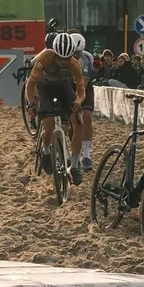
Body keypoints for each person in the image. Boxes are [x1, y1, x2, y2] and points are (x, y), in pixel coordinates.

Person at [24, 33, 87, 184]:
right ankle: (46, 150)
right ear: (54, 53)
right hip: (44, 87)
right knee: (49, 126)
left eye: (67, 59)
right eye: (60, 58)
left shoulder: (74, 65)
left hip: (63, 87)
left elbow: (81, 91)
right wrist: (32, 104)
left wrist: (79, 101)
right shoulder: (44, 57)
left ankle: (74, 165)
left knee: (79, 123)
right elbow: (31, 84)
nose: (63, 62)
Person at [70, 31, 96, 173]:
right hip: (68, 85)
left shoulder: (87, 58)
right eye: (73, 53)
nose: (76, 56)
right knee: (71, 121)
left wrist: (77, 100)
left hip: (84, 88)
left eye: (78, 52)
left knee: (86, 117)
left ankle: (86, 155)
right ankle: (73, 153)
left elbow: (83, 85)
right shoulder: (63, 56)